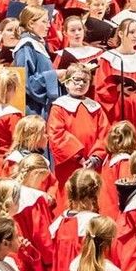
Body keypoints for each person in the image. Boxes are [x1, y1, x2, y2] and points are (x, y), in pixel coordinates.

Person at [47, 66, 108, 200]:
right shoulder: (59, 107)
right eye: (76, 80)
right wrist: (78, 157)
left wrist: (96, 158)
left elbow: (104, 134)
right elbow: (56, 134)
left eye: (85, 81)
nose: (81, 84)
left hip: (93, 164)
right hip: (70, 164)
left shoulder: (95, 107)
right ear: (66, 82)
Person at [14, 5, 62, 115]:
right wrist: (54, 75)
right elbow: (26, 81)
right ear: (31, 24)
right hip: (33, 108)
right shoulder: (27, 46)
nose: (49, 25)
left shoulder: (37, 44)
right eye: (44, 22)